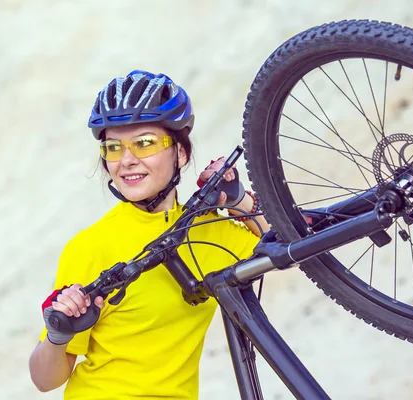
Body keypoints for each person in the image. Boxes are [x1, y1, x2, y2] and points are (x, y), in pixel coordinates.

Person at [29, 70, 270, 399]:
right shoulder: (89, 247)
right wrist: (56, 338)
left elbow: (293, 248)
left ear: (181, 153)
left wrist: (238, 198)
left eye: (144, 143)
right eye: (114, 147)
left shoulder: (209, 229)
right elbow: (45, 380)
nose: (127, 160)